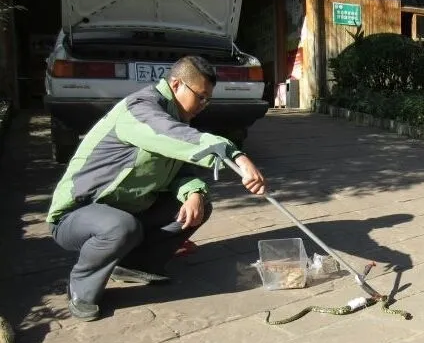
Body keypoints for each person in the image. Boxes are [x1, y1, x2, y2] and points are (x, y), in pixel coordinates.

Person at [46, 55, 266, 321]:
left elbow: (178, 167)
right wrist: (236, 156)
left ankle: (132, 265)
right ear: (176, 84)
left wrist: (194, 193)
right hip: (77, 215)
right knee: (120, 227)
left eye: (208, 99)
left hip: (125, 212)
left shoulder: (175, 118)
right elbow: (172, 136)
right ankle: (81, 287)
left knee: (198, 207)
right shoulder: (140, 109)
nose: (203, 106)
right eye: (201, 97)